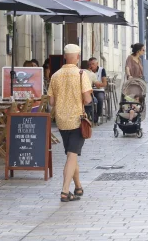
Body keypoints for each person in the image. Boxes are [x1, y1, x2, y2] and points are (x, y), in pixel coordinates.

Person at [48, 44, 92, 202]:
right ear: (78, 57)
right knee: (72, 156)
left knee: (71, 155)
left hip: (61, 120)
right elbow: (87, 99)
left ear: (65, 56)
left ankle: (78, 186)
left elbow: (51, 102)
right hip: (76, 120)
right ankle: (65, 191)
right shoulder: (81, 74)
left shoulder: (55, 75)